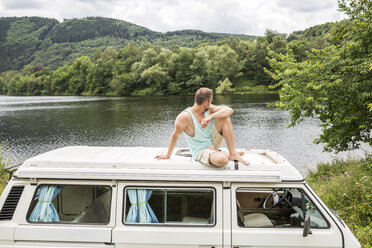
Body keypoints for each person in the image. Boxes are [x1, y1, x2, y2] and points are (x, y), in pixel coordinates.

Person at [155, 87, 250, 167]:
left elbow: (229, 110)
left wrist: (211, 117)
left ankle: (233, 154)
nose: (211, 103)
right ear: (206, 102)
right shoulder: (184, 117)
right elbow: (175, 136)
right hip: (201, 151)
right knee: (222, 160)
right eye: (211, 101)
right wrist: (167, 155)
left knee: (225, 118)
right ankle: (225, 154)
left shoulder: (209, 109)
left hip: (212, 143)